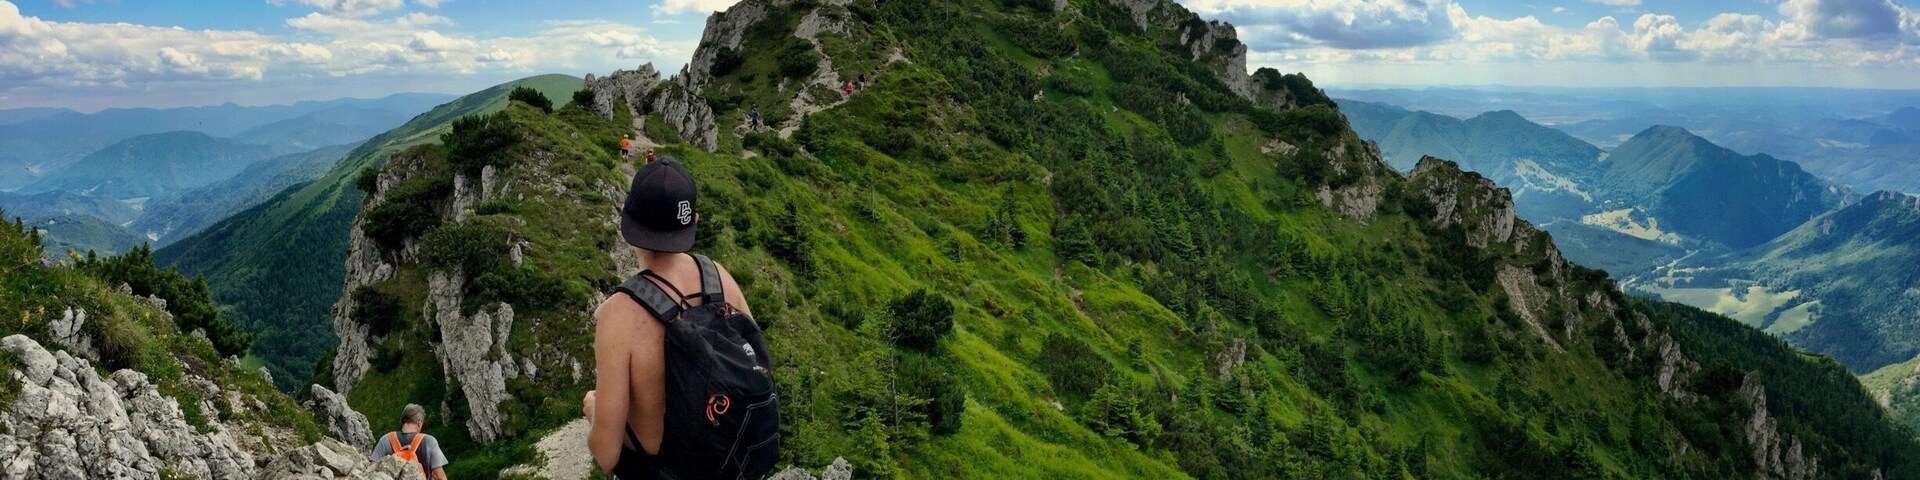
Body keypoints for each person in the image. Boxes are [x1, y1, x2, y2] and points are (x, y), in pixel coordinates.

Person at [586, 158, 780, 479]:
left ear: (625, 214)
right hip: (731, 467)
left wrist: (594, 412)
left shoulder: (617, 314)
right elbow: (758, 367)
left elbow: (606, 455)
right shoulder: (720, 279)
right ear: (694, 221)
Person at [370, 404, 448, 480]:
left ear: (401, 421)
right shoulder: (429, 441)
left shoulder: (386, 439)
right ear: (419, 423)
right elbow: (438, 475)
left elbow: (372, 468)